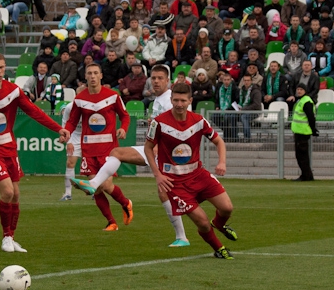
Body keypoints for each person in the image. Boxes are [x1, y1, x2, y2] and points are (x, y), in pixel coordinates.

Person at [0, 53, 70, 252]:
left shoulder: (13, 91)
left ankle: (11, 237)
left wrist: (58, 128)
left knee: (16, 194)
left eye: (1, 67)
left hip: (9, 148)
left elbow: (34, 111)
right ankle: (6, 238)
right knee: (7, 192)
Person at [73, 65, 192, 247]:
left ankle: (182, 236)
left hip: (168, 153)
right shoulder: (158, 100)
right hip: (153, 149)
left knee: (165, 193)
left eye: (160, 78)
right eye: (153, 78)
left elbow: (180, 127)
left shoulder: (170, 100)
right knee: (117, 153)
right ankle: (94, 185)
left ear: (168, 81)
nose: (156, 81)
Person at [145, 82, 237, 258]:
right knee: (203, 222)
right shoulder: (159, 123)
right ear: (171, 100)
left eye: (183, 100)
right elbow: (148, 148)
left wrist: (222, 162)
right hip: (174, 182)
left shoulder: (199, 121)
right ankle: (219, 249)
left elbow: (219, 141)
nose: (179, 104)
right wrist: (157, 175)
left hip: (198, 175)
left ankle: (219, 224)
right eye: (176, 100)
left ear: (190, 101)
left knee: (227, 208)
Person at [64, 62, 134, 231]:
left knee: (104, 185)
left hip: (108, 149)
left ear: (101, 75)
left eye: (96, 73)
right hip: (88, 149)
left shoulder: (113, 96)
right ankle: (111, 222)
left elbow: (125, 116)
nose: (93, 76)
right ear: (85, 76)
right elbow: (72, 121)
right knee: (94, 189)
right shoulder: (80, 99)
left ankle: (126, 203)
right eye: (90, 73)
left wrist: (123, 129)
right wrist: (66, 132)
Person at [59, 86, 85, 201]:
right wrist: (68, 141)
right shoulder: (70, 107)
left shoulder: (92, 106)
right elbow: (65, 123)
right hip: (74, 135)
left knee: (92, 164)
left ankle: (96, 191)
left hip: (89, 135)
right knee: (70, 163)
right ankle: (68, 193)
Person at [291, 84, 318, 181]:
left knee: (301, 156)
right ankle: (308, 175)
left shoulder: (306, 101)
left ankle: (305, 176)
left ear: (305, 91)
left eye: (301, 89)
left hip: (303, 132)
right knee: (302, 155)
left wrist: (313, 129)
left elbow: (311, 117)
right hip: (300, 131)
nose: (299, 91)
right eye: (298, 89)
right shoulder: (302, 100)